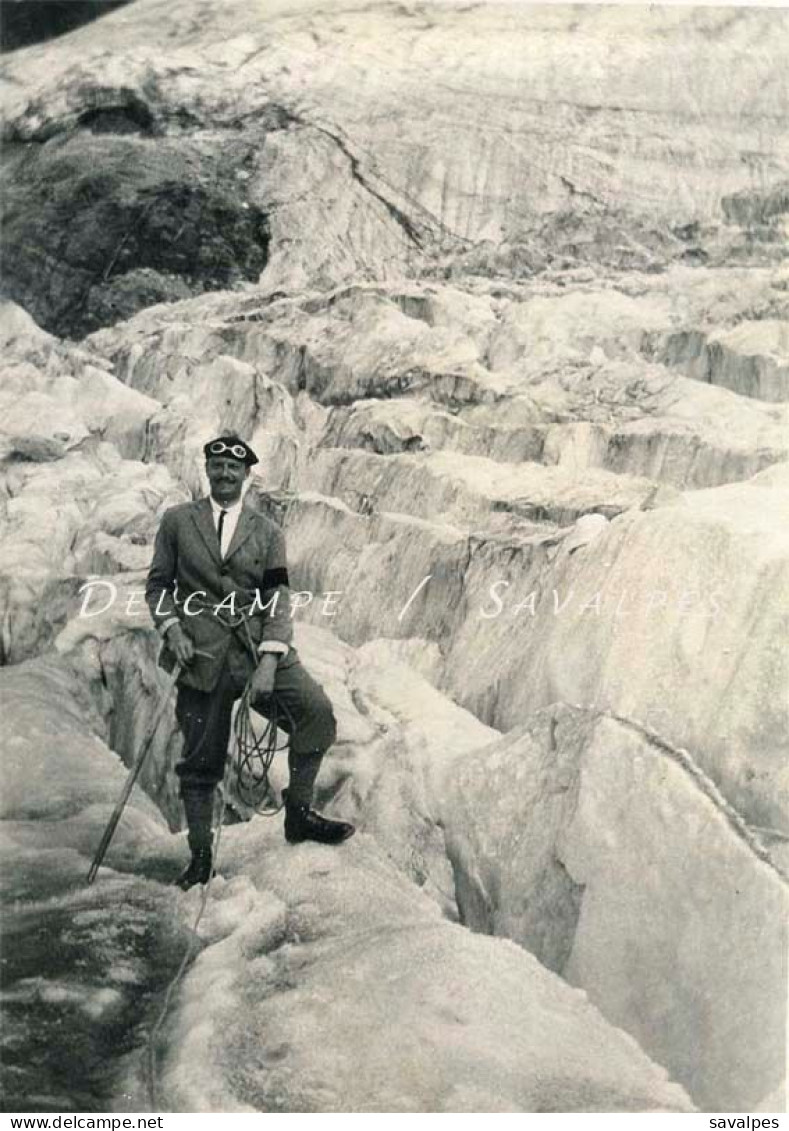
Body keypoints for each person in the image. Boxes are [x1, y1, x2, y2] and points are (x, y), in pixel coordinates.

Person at [145, 433, 354, 890]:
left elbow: (278, 597)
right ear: (207, 470)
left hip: (254, 646)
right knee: (201, 764)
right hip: (198, 654)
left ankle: (297, 815)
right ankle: (200, 860)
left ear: (245, 475)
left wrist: (269, 659)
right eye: (217, 465)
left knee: (316, 715)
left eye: (232, 468)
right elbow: (158, 587)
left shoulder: (267, 532)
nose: (224, 474)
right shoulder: (178, 522)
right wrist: (171, 630)